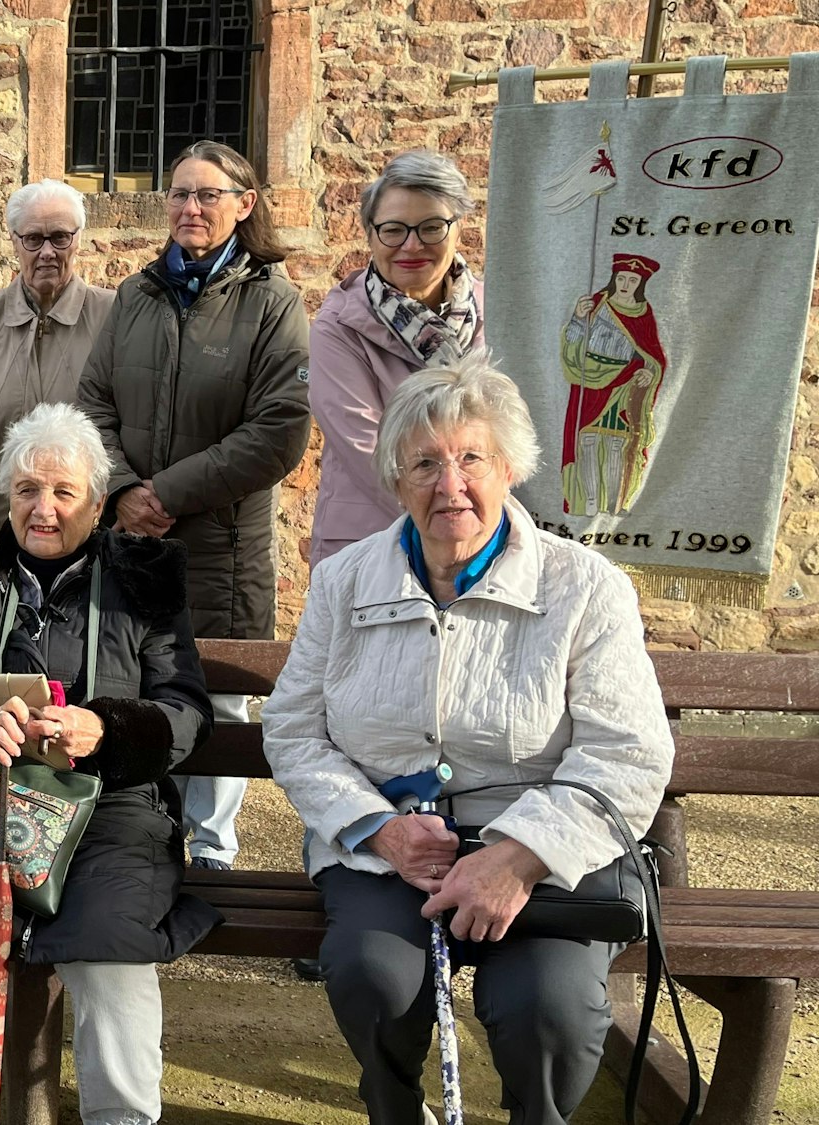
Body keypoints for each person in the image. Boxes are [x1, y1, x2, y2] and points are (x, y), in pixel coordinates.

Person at [261, 353, 675, 1125]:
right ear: (395, 478)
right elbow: (291, 725)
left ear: (510, 467)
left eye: (471, 458)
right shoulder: (346, 580)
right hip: (390, 851)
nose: (449, 484)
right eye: (424, 463)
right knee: (370, 974)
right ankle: (395, 1108)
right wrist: (376, 829)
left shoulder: (583, 587)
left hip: (545, 852)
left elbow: (628, 751)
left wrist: (517, 856)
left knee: (548, 1006)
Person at [0, 402, 219, 1125]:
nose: (42, 509)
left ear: (96, 500)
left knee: (110, 949)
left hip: (112, 815)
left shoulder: (143, 580)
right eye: (26, 489)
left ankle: (121, 1117)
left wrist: (105, 727)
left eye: (62, 492)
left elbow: (186, 708)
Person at [77, 139, 311, 873]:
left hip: (221, 554)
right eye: (179, 193)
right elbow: (93, 402)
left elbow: (278, 432)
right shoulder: (136, 295)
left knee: (217, 700)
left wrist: (164, 495)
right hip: (132, 543)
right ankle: (143, 836)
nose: (190, 207)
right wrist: (118, 490)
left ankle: (211, 850)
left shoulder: (272, 304)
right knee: (136, 689)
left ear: (244, 206)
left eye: (208, 194)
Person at [309, 149, 483, 567]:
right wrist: (458, 519)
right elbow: (366, 450)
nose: (411, 245)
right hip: (373, 544)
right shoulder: (339, 325)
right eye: (393, 230)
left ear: (458, 229)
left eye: (431, 228)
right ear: (370, 234)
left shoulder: (497, 309)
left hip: (482, 542)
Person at [0, 178, 117, 540]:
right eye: (34, 239)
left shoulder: (113, 316)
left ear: (78, 239)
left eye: (60, 238)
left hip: (83, 539)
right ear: (14, 240)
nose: (47, 252)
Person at [560, 253, 667, 517]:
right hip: (590, 380)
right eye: (621, 278)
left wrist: (648, 373)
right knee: (588, 439)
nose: (625, 284)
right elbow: (574, 341)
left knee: (617, 443)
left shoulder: (643, 313)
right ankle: (590, 501)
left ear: (640, 284)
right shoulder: (596, 304)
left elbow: (653, 356)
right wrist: (576, 318)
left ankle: (613, 502)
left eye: (632, 280)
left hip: (625, 386)